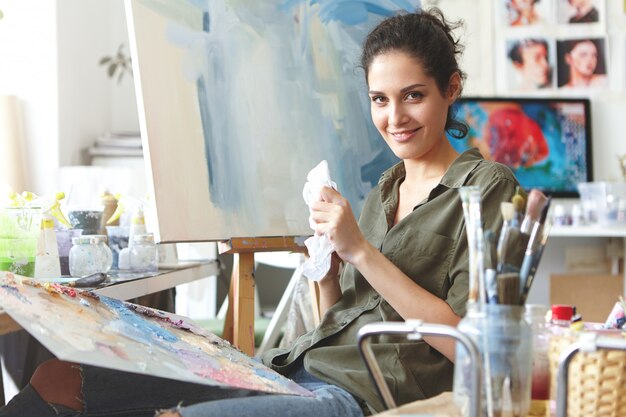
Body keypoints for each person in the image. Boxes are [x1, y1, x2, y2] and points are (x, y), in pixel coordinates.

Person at [0, 8, 519, 417]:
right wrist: (326, 269)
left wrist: (360, 251)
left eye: (413, 96)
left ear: (451, 89)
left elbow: (472, 349)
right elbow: (338, 317)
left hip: (362, 396)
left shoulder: (487, 188)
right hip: (297, 369)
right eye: (378, 99)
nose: (394, 117)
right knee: (60, 377)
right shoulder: (386, 188)